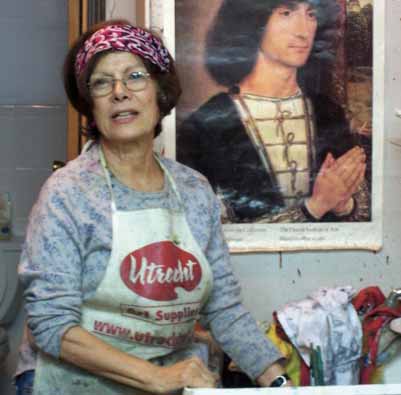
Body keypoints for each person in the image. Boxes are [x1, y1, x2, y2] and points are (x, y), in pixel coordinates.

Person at [15, 20, 292, 395]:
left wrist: (279, 382)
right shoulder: (67, 194)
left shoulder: (194, 191)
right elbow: (51, 325)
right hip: (74, 383)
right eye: (101, 83)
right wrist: (156, 377)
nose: (119, 93)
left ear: (160, 93)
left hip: (166, 379)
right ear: (89, 105)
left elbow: (224, 309)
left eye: (135, 76)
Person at [177, 0, 370, 223]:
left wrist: (345, 205)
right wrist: (314, 207)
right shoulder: (206, 124)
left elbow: (365, 214)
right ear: (253, 21)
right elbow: (208, 228)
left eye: (311, 14)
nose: (303, 31)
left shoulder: (329, 112)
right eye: (286, 13)